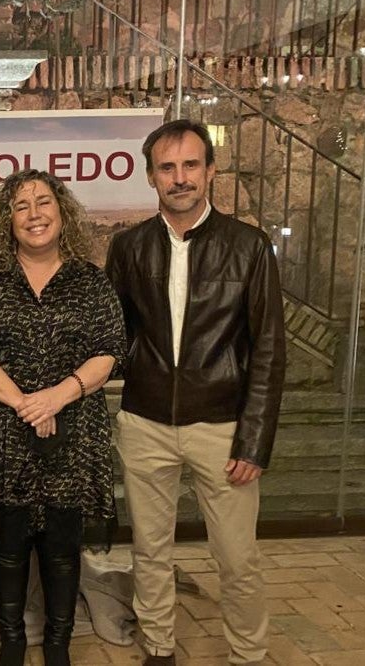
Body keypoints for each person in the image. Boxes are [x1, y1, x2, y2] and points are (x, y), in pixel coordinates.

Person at [106, 119, 286, 666]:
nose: (179, 178)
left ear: (210, 170)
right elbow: (114, 335)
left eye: (190, 165)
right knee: (150, 551)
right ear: (151, 177)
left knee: (237, 559)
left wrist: (253, 441)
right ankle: (159, 648)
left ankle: (249, 654)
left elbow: (271, 351)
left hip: (222, 428)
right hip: (145, 423)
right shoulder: (129, 247)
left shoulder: (249, 247)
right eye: (167, 168)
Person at [0, 169, 124, 666]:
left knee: (62, 549)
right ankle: (11, 644)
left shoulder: (90, 281)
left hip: (74, 432)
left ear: (62, 211)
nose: (34, 215)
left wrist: (57, 397)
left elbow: (111, 351)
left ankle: (57, 646)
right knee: (8, 546)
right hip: (7, 434)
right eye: (21, 206)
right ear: (8, 220)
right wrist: (30, 404)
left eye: (43, 202)